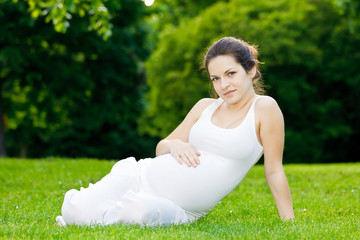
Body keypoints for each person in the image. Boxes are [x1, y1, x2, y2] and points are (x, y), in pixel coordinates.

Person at [56, 36, 294, 227]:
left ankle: (98, 217)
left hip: (180, 208)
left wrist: (289, 222)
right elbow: (162, 147)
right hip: (142, 176)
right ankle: (91, 214)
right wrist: (175, 144)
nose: (224, 85)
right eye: (215, 78)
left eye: (231, 74)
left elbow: (273, 171)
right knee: (73, 210)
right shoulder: (204, 107)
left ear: (250, 70)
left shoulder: (264, 108)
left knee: (138, 212)